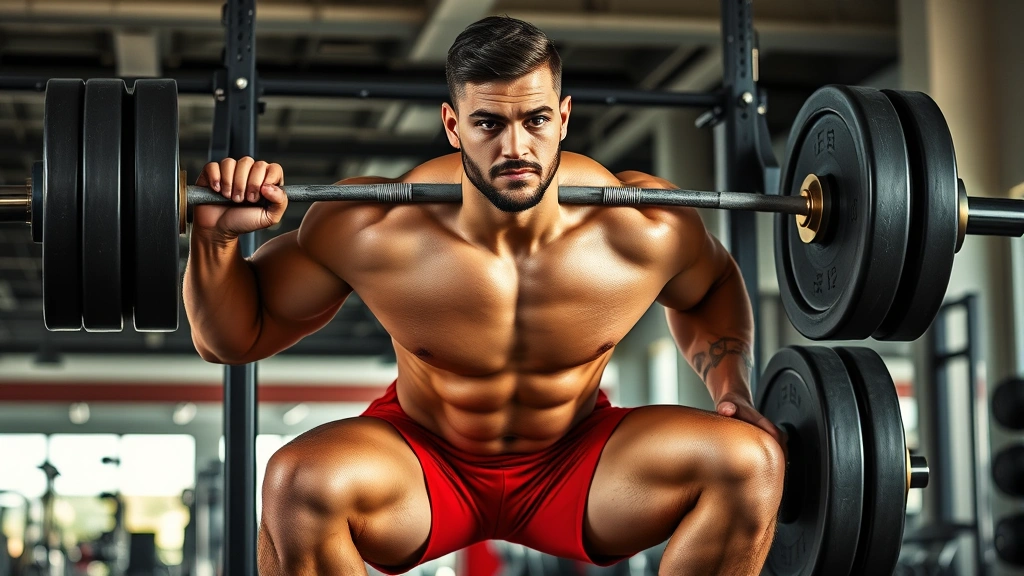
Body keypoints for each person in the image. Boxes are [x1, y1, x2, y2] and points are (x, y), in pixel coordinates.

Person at [184, 15, 785, 576]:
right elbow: (235, 338)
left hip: (579, 465)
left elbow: (712, 286)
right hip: (423, 464)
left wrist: (730, 387)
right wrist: (214, 242)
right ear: (453, 125)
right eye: (489, 124)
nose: (516, 148)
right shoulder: (371, 227)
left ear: (565, 116)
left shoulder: (641, 228)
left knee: (748, 461)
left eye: (537, 121)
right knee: (298, 480)